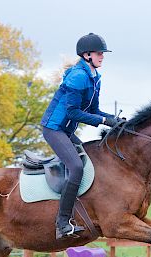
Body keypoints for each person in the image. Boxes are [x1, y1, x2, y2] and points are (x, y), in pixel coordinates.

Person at [40, 33, 124, 239]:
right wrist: (103, 122)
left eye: (103, 53)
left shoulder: (94, 77)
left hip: (66, 131)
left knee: (90, 159)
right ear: (87, 55)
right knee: (76, 167)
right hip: (54, 129)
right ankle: (62, 223)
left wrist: (113, 119)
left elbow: (93, 109)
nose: (102, 56)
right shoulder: (78, 77)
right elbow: (72, 112)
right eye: (99, 53)